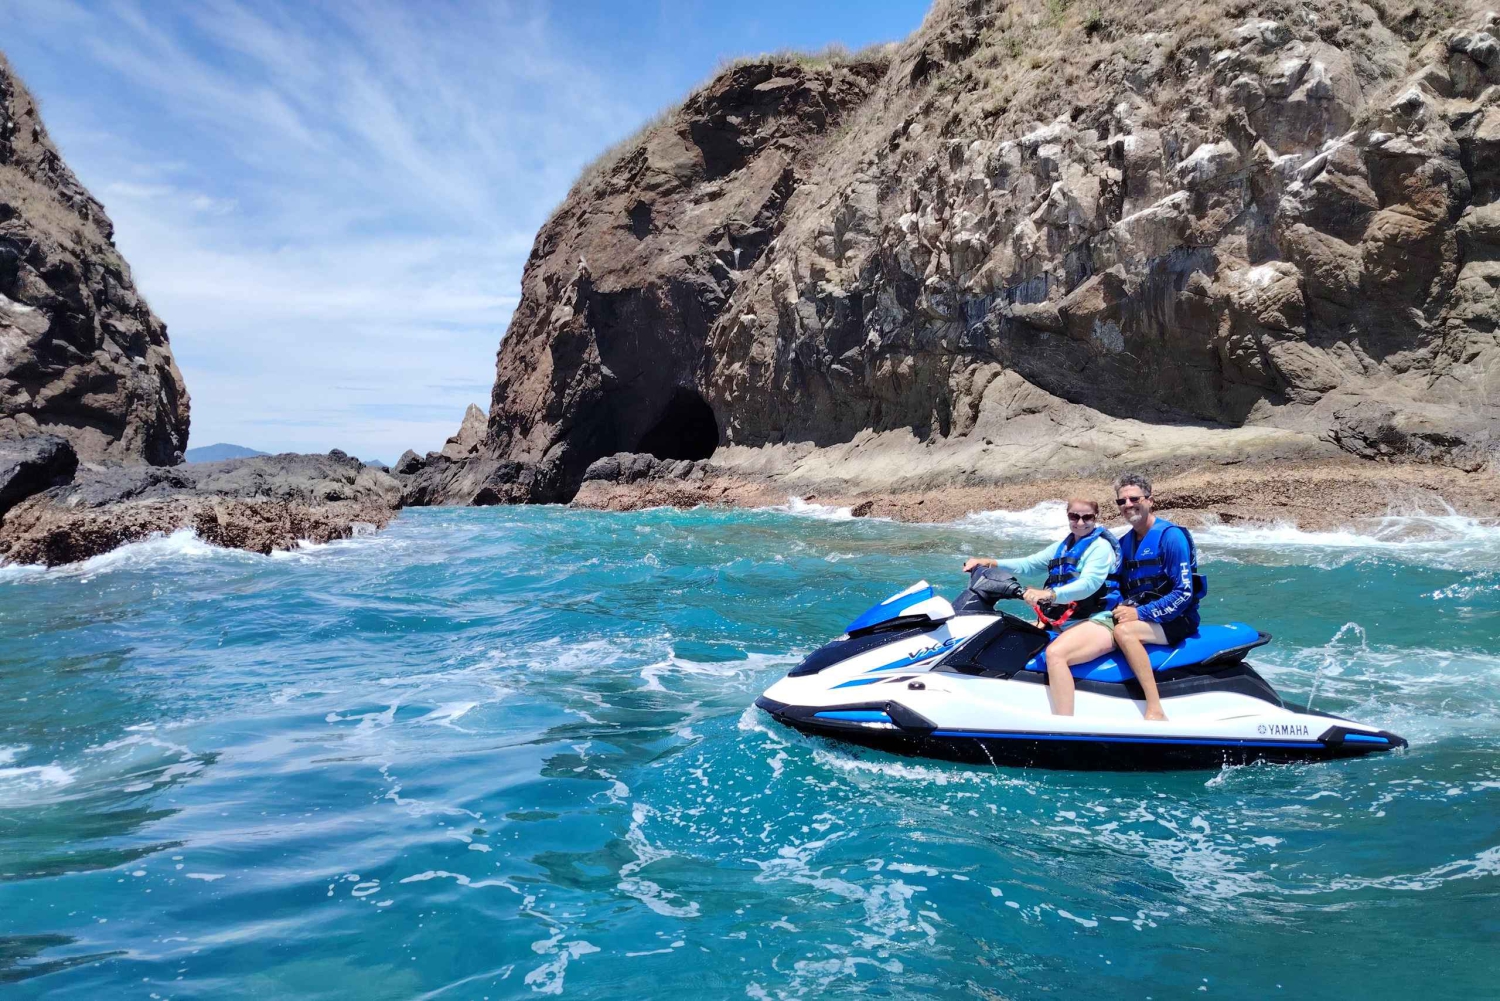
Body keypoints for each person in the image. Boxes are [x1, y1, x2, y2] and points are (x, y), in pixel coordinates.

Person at [960, 497, 1121, 717]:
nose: (1080, 522)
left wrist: (1050, 594)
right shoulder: (1064, 546)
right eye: (1075, 516)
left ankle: (1064, 723)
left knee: (1056, 654)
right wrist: (990, 562)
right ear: (1068, 516)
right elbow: (1029, 564)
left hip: (1096, 620)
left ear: (1096, 518)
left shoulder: (1100, 548)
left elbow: (1089, 584)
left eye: (1087, 517)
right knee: (1005, 634)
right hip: (1065, 620)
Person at [1105, 471, 1205, 721]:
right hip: (1138, 615)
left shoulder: (1171, 537)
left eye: (1134, 499)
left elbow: (1183, 593)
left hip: (1177, 619)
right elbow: (1115, 587)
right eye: (1121, 501)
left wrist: (1139, 613)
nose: (1128, 505)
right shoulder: (1123, 543)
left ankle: (1155, 708)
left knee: (1124, 633)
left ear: (1150, 500)